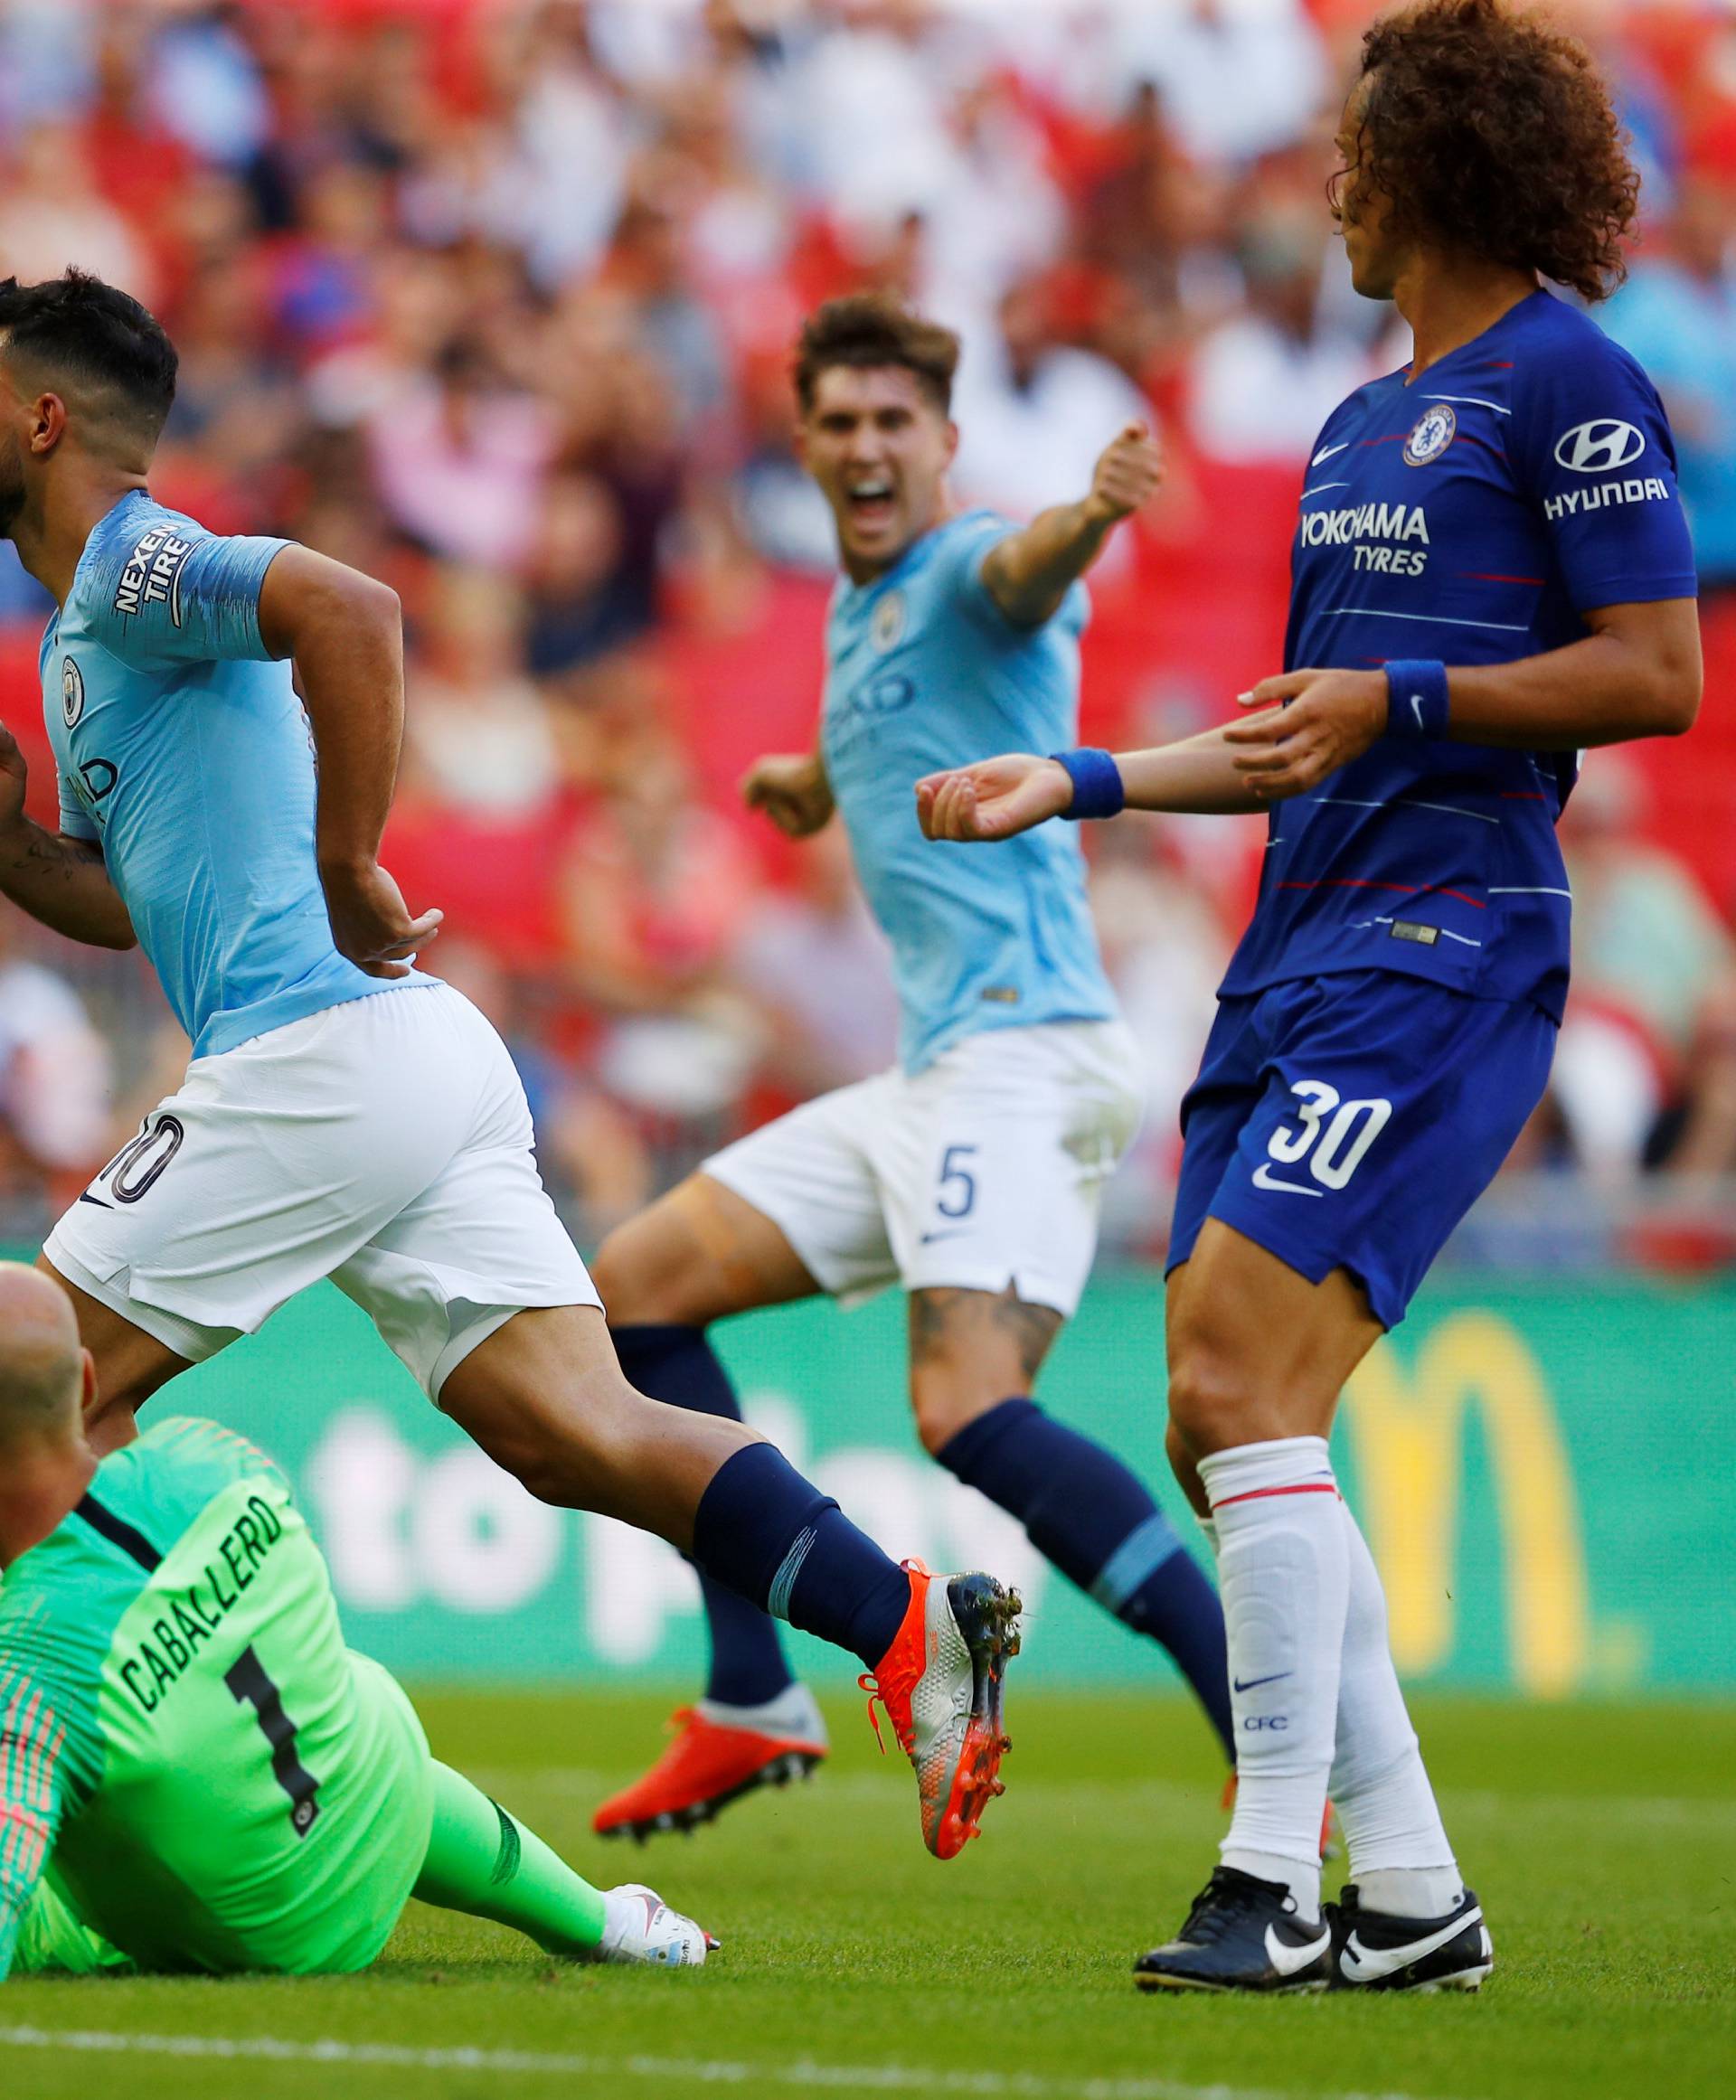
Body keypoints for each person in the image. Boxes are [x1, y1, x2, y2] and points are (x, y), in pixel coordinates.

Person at [0, 268, 1020, 1870]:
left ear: (42, 415)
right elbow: (139, 898)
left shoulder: (135, 559)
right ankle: (906, 1626)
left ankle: (66, 1769)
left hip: (315, 1061)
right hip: (405, 1063)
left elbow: (355, 607)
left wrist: (351, 858)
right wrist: (14, 843)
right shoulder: (88, 628)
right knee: (580, 1433)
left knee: (35, 1384)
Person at [915, 0, 1700, 1993]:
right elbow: (1291, 738)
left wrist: (1411, 699)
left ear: (1433, 161)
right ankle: (1418, 1893)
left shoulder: (1572, 385)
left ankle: (1271, 1876)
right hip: (1296, 945)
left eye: (1359, 150)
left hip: (1449, 941)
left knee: (1236, 1368)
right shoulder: (1359, 424)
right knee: (1217, 1404)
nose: (1333, 182)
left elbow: (1656, 676)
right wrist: (1077, 783)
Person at [588, 293, 1234, 1845]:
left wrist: (1088, 512)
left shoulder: (968, 562)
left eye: (898, 421)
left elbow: (1018, 576)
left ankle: (1263, 1719)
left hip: (1029, 1052)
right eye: (841, 421)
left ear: (945, 443)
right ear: (805, 442)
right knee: (634, 1288)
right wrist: (812, 783)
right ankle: (755, 1697)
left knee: (963, 1403)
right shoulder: (855, 606)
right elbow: (901, 716)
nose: (869, 445)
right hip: (938, 1069)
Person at [0, 1263, 710, 1981]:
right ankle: (610, 1921)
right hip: (376, 1805)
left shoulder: (29, 1671)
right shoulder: (216, 1459)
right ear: (87, 1382)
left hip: (273, 1944)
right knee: (345, 1696)